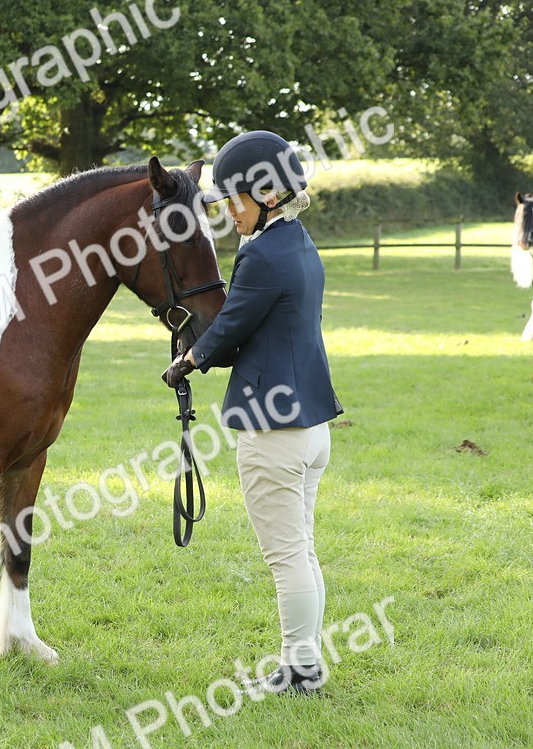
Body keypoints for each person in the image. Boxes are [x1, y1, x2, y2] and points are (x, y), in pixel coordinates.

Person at [162, 130, 343, 694]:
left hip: (273, 431)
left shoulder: (261, 253)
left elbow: (229, 327)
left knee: (286, 556)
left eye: (234, 200)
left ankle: (299, 669)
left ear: (267, 193)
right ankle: (305, 662)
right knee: (301, 550)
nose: (228, 214)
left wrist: (187, 359)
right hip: (310, 426)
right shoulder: (300, 243)